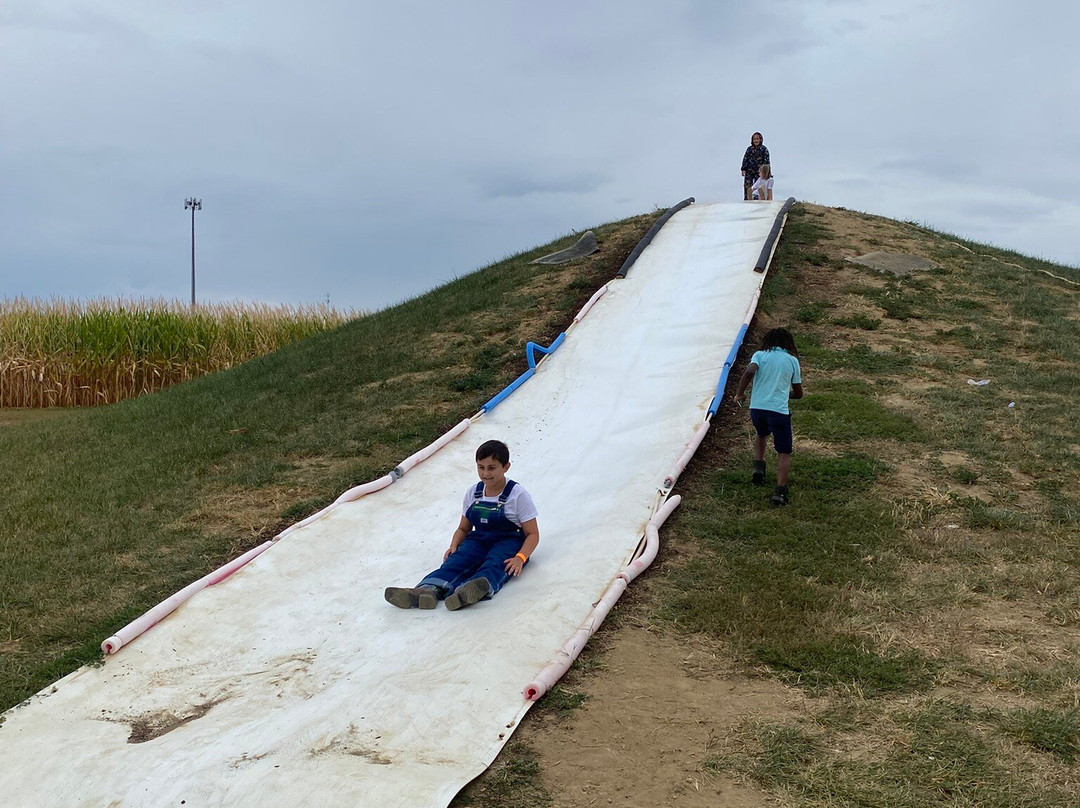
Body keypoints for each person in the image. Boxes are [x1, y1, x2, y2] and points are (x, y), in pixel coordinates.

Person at [384, 439, 540, 611]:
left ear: (506, 467)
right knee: (459, 560)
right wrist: (454, 545)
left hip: (509, 541)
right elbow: (464, 528)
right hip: (479, 539)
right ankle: (427, 590)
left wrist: (520, 558)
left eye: (491, 468)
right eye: (481, 467)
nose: (486, 473)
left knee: (496, 563)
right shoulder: (474, 492)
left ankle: (471, 590)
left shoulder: (517, 495)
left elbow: (532, 534)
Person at [732, 328, 803, 505]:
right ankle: (779, 492)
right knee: (784, 451)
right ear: (788, 344)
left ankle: (758, 466)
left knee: (761, 434)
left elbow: (750, 371)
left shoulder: (759, 355)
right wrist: (786, 395)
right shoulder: (792, 360)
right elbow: (799, 393)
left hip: (757, 408)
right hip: (778, 412)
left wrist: (740, 393)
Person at [740, 132, 770, 201]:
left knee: (759, 186)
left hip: (760, 172)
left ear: (760, 140)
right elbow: (745, 159)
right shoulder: (749, 149)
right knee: (748, 186)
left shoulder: (764, 149)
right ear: (752, 140)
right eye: (754, 139)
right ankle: (747, 198)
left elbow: (767, 162)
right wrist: (743, 169)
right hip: (749, 170)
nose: (756, 140)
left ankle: (757, 199)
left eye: (757, 139)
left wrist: (768, 172)